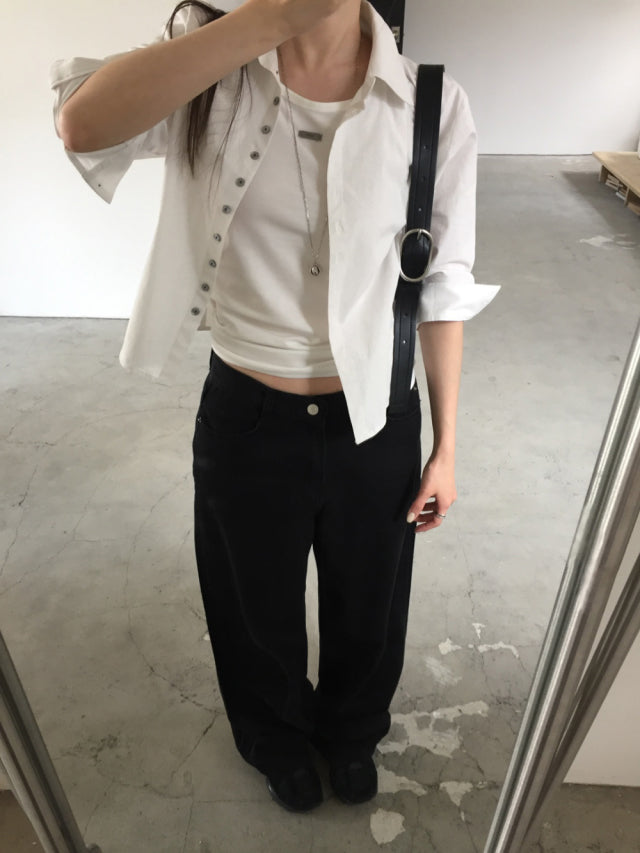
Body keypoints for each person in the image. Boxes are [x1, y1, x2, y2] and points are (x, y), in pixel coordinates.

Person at [50, 0, 498, 814]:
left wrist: (447, 446)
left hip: (375, 414)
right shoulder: (209, 73)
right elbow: (82, 125)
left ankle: (353, 731)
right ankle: (275, 739)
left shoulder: (432, 101)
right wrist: (267, 23)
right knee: (253, 609)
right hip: (248, 414)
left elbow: (442, 286)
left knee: (371, 605)